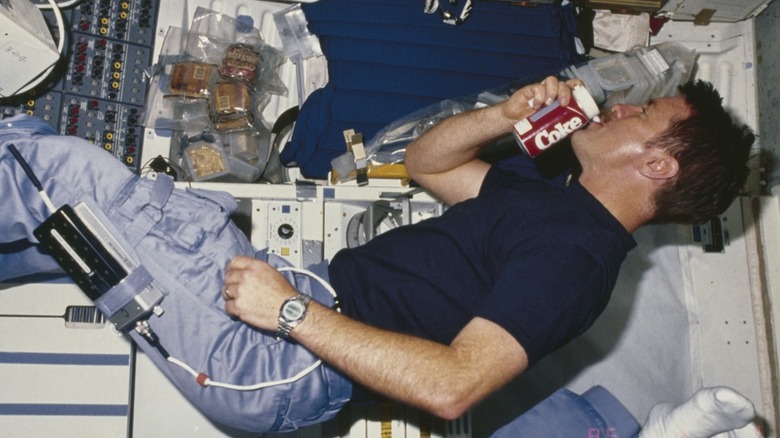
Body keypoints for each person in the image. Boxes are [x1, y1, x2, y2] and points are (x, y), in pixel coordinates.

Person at [0, 76, 754, 433]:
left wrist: (290, 311)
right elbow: (429, 164)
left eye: (643, 113)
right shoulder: (553, 205)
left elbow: (454, 386)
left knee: (62, 175)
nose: (620, 106)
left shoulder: (577, 262)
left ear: (659, 167)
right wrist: (504, 115)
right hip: (297, 305)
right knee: (53, 195)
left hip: (277, 360)